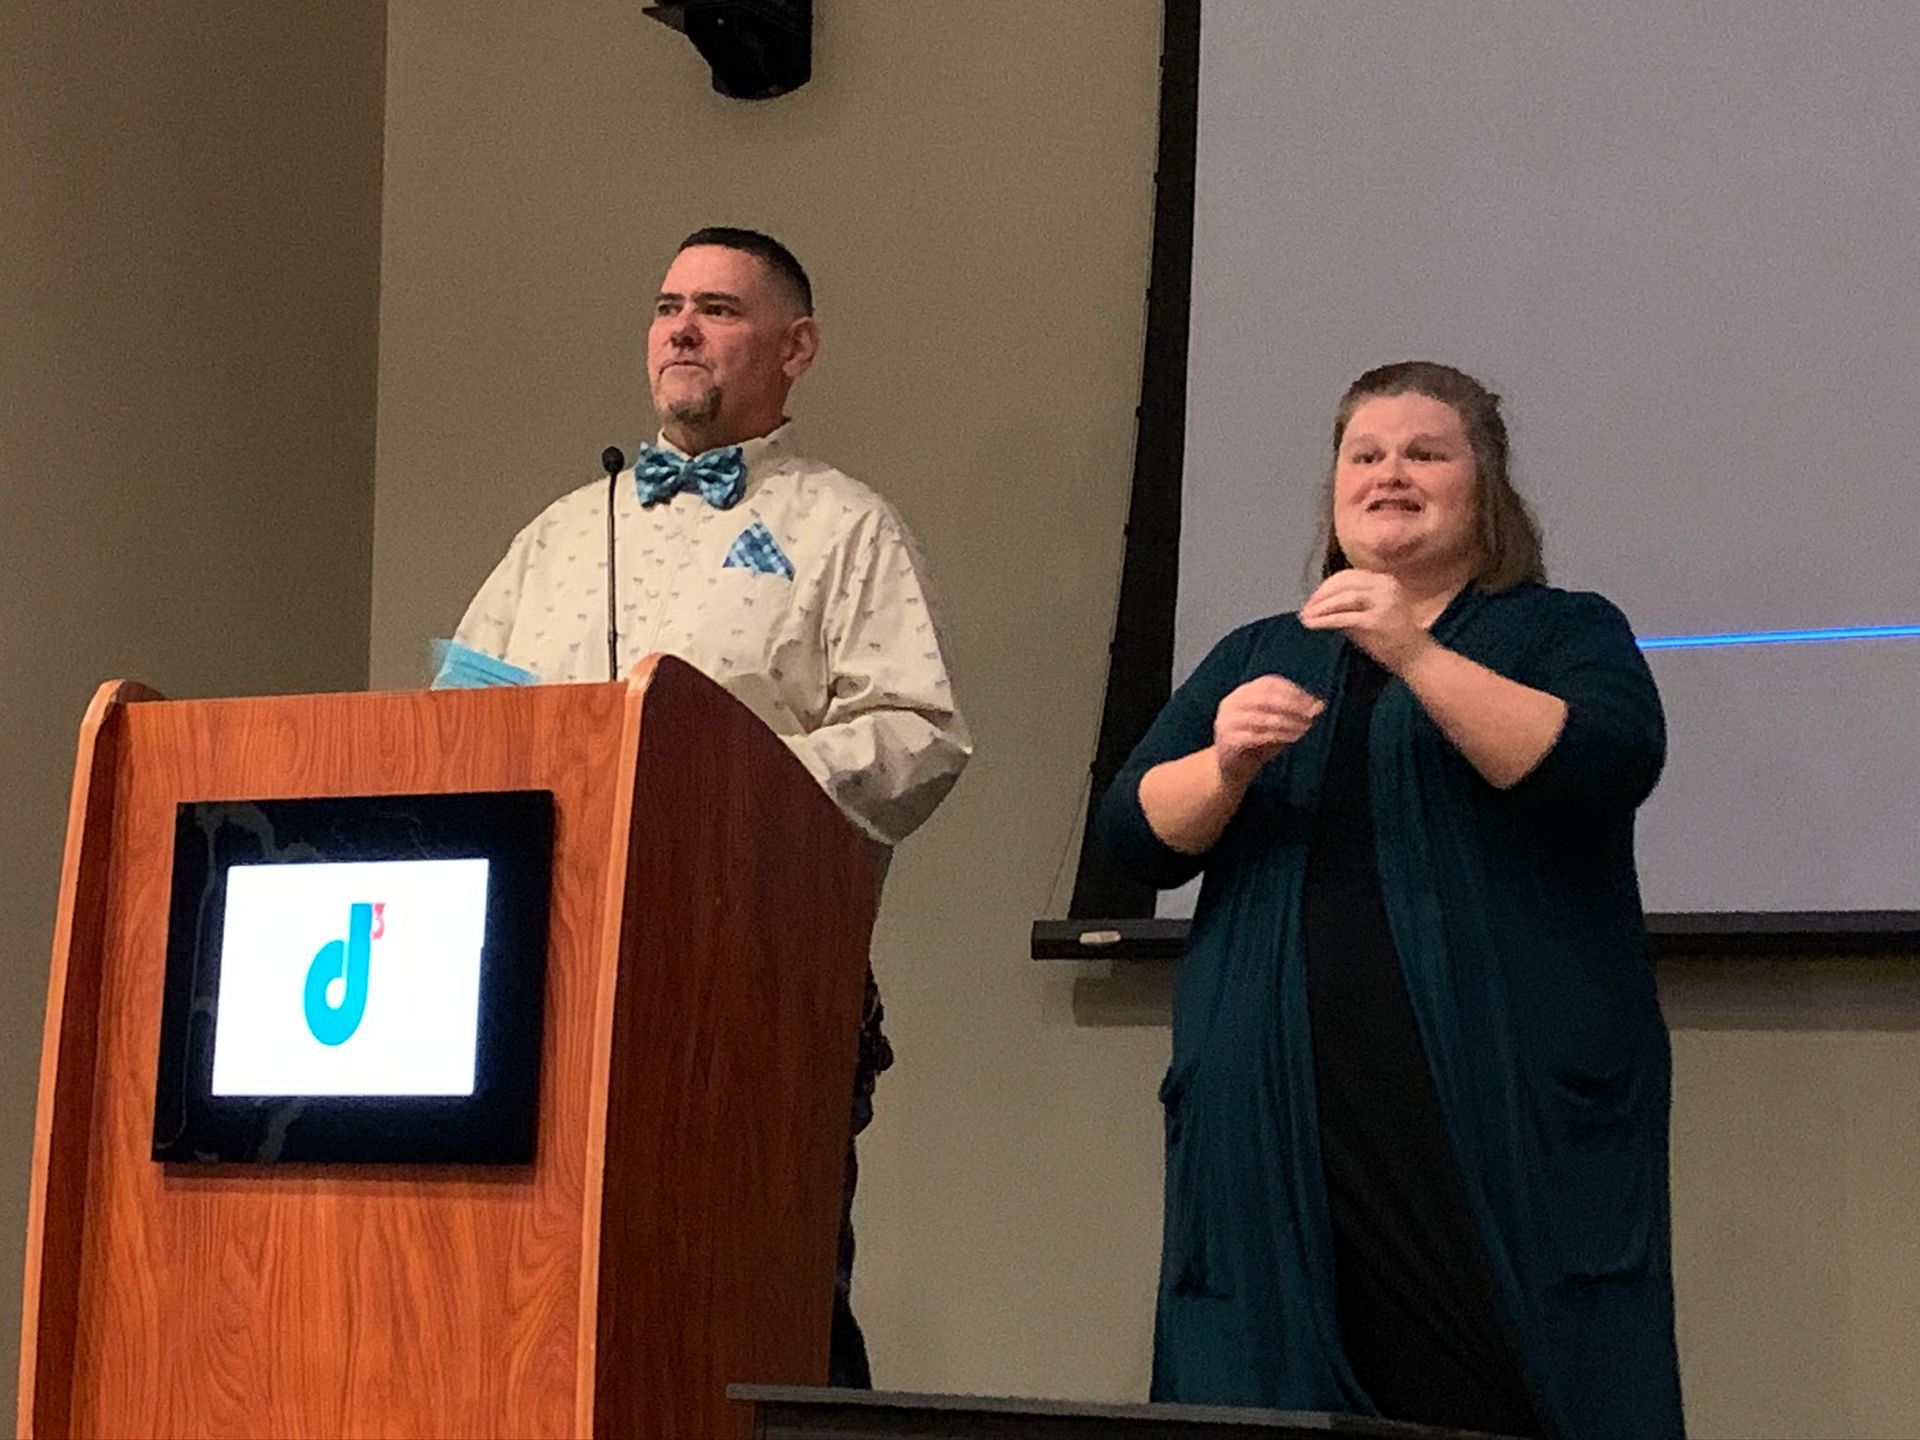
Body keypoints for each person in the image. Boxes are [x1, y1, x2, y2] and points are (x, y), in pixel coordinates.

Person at [1096, 362, 1683, 1440]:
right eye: (1364, 456)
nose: (1389, 474)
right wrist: (1224, 764)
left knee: (1503, 1390)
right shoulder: (1259, 651)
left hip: (1488, 1111)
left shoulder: (1563, 630)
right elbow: (1132, 830)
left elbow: (1602, 763)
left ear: (1485, 488)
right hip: (1276, 1113)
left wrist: (1411, 648)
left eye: (1425, 453)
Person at [448, 227, 972, 1386]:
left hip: (754, 988)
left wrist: (721, 789)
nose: (683, 326)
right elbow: (455, 725)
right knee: (544, 1311)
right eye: (668, 304)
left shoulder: (848, 528)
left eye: (721, 309)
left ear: (798, 349)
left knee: (750, 1317)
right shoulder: (561, 530)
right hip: (541, 986)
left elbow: (920, 735)